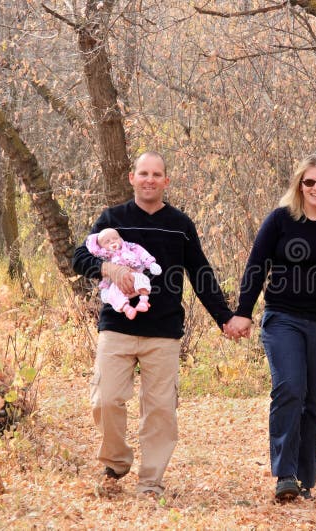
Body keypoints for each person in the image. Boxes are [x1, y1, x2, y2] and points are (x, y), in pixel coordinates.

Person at [72, 151, 236, 497]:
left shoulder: (180, 224)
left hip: (163, 332)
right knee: (105, 399)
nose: (149, 179)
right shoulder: (112, 218)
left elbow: (200, 273)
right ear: (132, 178)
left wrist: (225, 318)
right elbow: (80, 256)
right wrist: (110, 269)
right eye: (143, 173)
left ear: (165, 181)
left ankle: (151, 482)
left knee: (160, 410)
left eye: (156, 174)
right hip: (116, 327)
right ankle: (116, 462)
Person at [227, 153, 316, 502]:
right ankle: (285, 475)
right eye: (309, 182)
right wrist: (243, 311)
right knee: (290, 388)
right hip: (283, 318)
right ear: (299, 186)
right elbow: (256, 266)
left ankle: (305, 479)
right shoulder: (280, 220)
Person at [86, 228, 162, 319]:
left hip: (135, 276)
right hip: (117, 284)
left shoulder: (130, 247)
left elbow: (141, 253)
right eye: (107, 241)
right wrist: (105, 289)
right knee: (113, 293)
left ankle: (143, 301)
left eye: (115, 238)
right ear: (101, 247)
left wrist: (151, 264)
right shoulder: (104, 258)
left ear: (120, 238)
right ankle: (127, 309)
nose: (112, 242)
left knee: (143, 279)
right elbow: (105, 277)